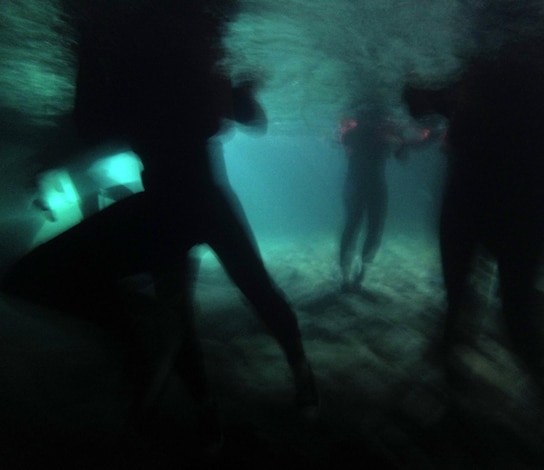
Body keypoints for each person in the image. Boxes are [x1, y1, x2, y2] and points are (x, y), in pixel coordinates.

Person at [1, 0, 319, 459]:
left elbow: (93, 127)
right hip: (198, 200)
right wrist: (238, 89)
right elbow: (249, 118)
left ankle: (221, 391)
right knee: (246, 292)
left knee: (199, 307)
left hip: (172, 204)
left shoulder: (134, 46)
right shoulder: (180, 43)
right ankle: (272, 383)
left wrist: (89, 50)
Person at [403, 7, 544, 396]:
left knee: (488, 311)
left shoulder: (496, 26)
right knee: (499, 312)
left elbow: (435, 101)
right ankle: (536, 397)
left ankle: (515, 396)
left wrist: (421, 94)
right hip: (517, 186)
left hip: (488, 185)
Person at [338, 105, 436, 291]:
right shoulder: (378, 134)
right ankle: (355, 274)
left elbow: (401, 152)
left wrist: (400, 138)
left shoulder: (361, 133)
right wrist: (404, 137)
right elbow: (402, 154)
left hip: (359, 185)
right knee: (366, 227)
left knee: (358, 226)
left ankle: (352, 275)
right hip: (370, 186)